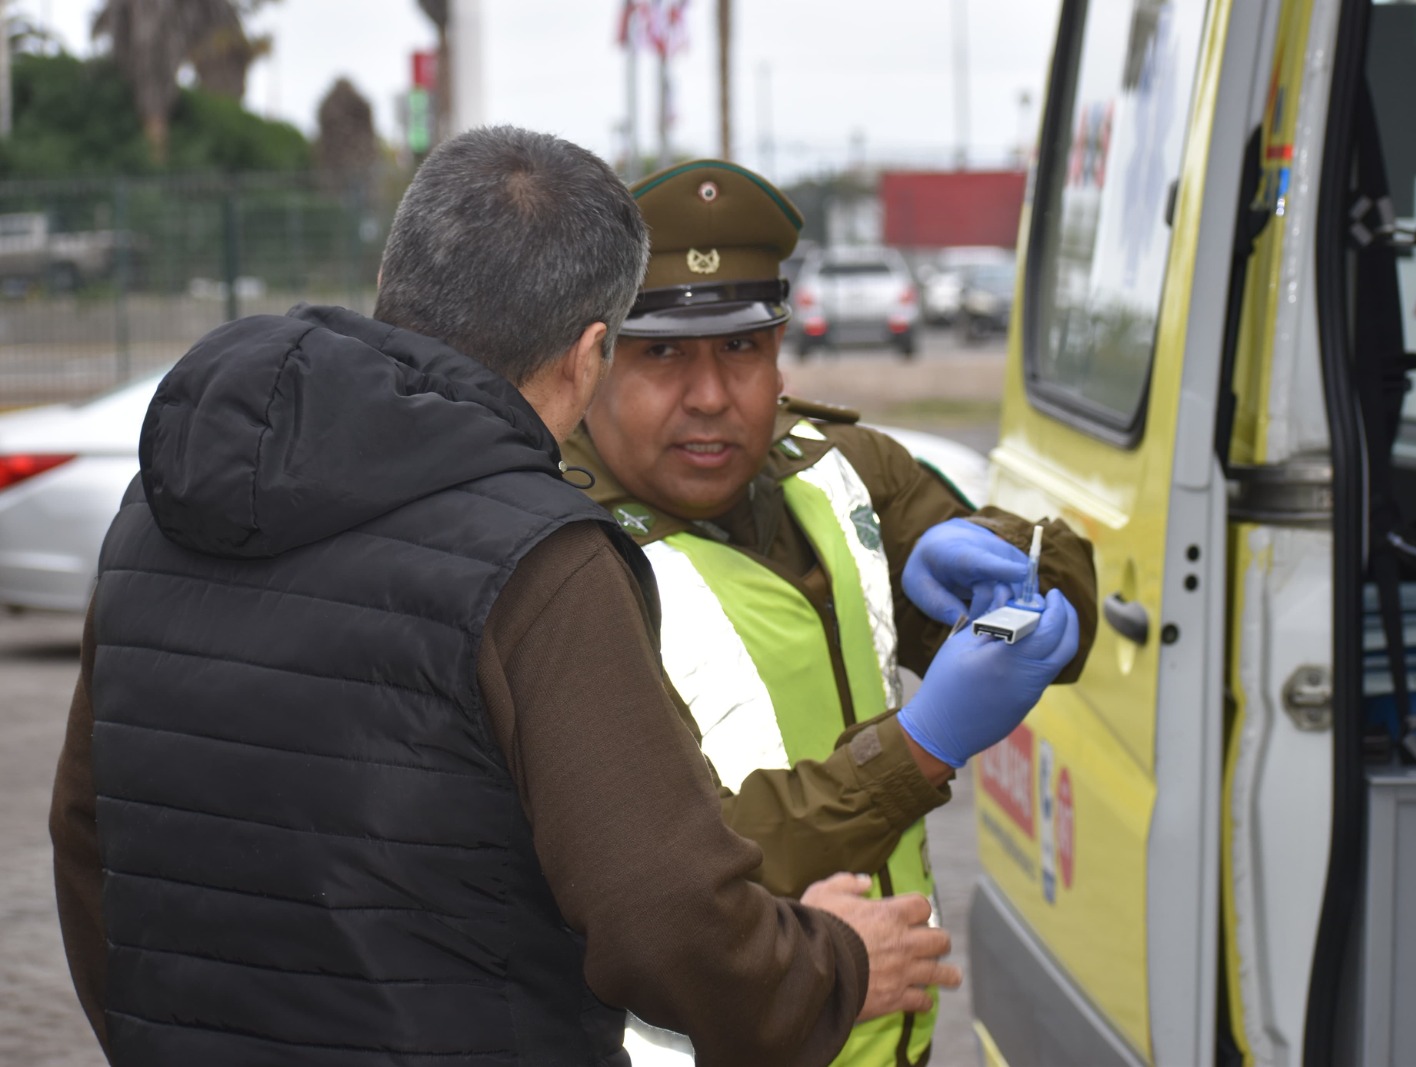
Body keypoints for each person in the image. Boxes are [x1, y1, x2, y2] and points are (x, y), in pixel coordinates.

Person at [46, 129, 991, 1067]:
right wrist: (835, 961)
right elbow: (667, 921)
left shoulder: (159, 514)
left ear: (398, 284)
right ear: (589, 355)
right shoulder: (541, 563)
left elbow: (87, 836)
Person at [568, 159, 1100, 1067]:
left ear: (781, 349)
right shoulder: (568, 559)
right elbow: (695, 858)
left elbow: (1063, 595)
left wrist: (1016, 569)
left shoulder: (833, 463)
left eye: (741, 349)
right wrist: (921, 746)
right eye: (664, 354)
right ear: (596, 359)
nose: (710, 395)